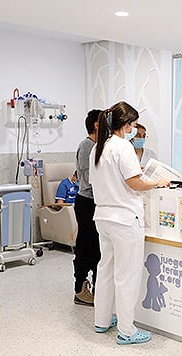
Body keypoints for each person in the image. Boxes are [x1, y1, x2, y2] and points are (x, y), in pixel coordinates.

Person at [89, 101, 170, 345]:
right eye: (134, 125)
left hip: (103, 217)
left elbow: (113, 177)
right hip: (124, 220)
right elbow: (134, 183)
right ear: (125, 124)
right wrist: (157, 183)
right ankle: (127, 330)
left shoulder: (98, 148)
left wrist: (137, 172)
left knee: (105, 270)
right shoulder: (123, 147)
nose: (135, 130)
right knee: (127, 275)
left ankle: (101, 321)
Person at [72, 109, 102, 306]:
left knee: (98, 250)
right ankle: (80, 289)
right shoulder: (87, 146)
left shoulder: (97, 146)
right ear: (97, 126)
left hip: (97, 202)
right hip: (87, 203)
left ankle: (98, 288)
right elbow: (89, 178)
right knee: (86, 248)